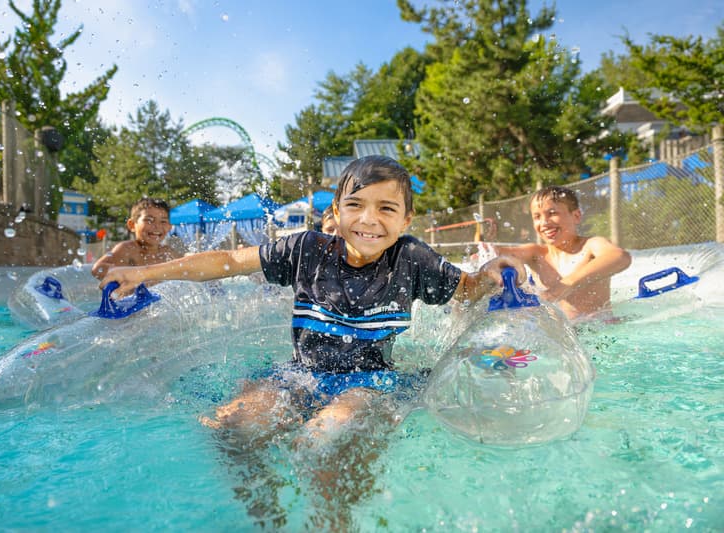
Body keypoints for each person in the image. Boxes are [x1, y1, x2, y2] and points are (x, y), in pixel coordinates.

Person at [101, 155, 525, 527]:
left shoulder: (411, 259)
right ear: (336, 211)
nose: (368, 219)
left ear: (406, 220)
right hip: (300, 375)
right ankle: (267, 514)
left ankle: (333, 523)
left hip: (368, 383)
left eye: (386, 208)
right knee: (230, 426)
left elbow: (465, 289)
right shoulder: (307, 249)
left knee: (324, 442)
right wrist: (143, 274)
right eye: (355, 205)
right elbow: (228, 260)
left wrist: (489, 273)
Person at [489, 185, 631, 321]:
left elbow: (620, 257)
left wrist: (565, 285)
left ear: (576, 216)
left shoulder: (591, 245)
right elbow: (493, 253)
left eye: (552, 213)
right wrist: (487, 260)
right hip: (561, 334)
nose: (544, 223)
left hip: (599, 329)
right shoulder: (536, 253)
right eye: (537, 217)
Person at [91, 198, 183, 282]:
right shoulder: (128, 249)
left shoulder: (168, 253)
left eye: (163, 221)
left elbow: (188, 268)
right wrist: (130, 274)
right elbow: (98, 269)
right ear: (132, 225)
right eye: (149, 220)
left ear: (169, 227)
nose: (157, 226)